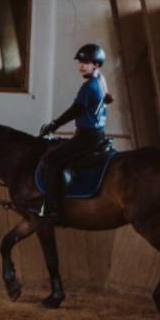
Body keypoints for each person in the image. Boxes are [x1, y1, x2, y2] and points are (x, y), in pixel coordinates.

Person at [37, 43, 110, 218]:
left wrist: (53, 125)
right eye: (80, 62)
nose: (81, 66)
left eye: (85, 62)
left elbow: (75, 110)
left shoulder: (89, 86)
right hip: (98, 135)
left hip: (86, 137)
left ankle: (52, 206)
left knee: (50, 160)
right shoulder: (101, 81)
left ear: (96, 64)